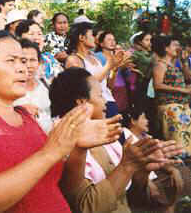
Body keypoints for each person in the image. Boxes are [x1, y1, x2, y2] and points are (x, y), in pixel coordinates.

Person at [0, 30, 122, 213]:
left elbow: (61, 187)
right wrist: (50, 153)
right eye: (11, 60)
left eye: (23, 61)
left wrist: (78, 149)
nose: (23, 68)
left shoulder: (27, 117)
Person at [50, 67, 184, 213]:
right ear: (82, 102)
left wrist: (142, 170)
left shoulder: (104, 137)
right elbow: (87, 207)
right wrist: (127, 165)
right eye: (100, 95)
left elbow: (130, 198)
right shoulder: (62, 145)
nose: (106, 101)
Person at [65, 22, 124, 118]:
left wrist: (114, 69)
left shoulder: (95, 58)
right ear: (81, 37)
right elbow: (85, 85)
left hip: (109, 101)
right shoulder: (73, 60)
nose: (95, 38)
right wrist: (109, 65)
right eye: (92, 35)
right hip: (93, 108)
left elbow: (109, 86)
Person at [152, 35, 191, 157]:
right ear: (166, 48)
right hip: (170, 106)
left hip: (181, 106)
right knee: (178, 137)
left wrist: (184, 61)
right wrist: (181, 90)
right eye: (174, 45)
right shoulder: (160, 64)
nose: (178, 48)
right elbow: (157, 85)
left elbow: (188, 77)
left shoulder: (175, 65)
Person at [13, 39, 53, 133]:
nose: (28, 65)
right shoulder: (7, 89)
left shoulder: (47, 85)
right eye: (23, 61)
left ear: (39, 63)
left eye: (32, 60)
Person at [15, 19, 63, 86]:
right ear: (19, 38)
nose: (36, 37)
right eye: (31, 34)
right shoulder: (16, 61)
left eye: (39, 34)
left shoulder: (49, 57)